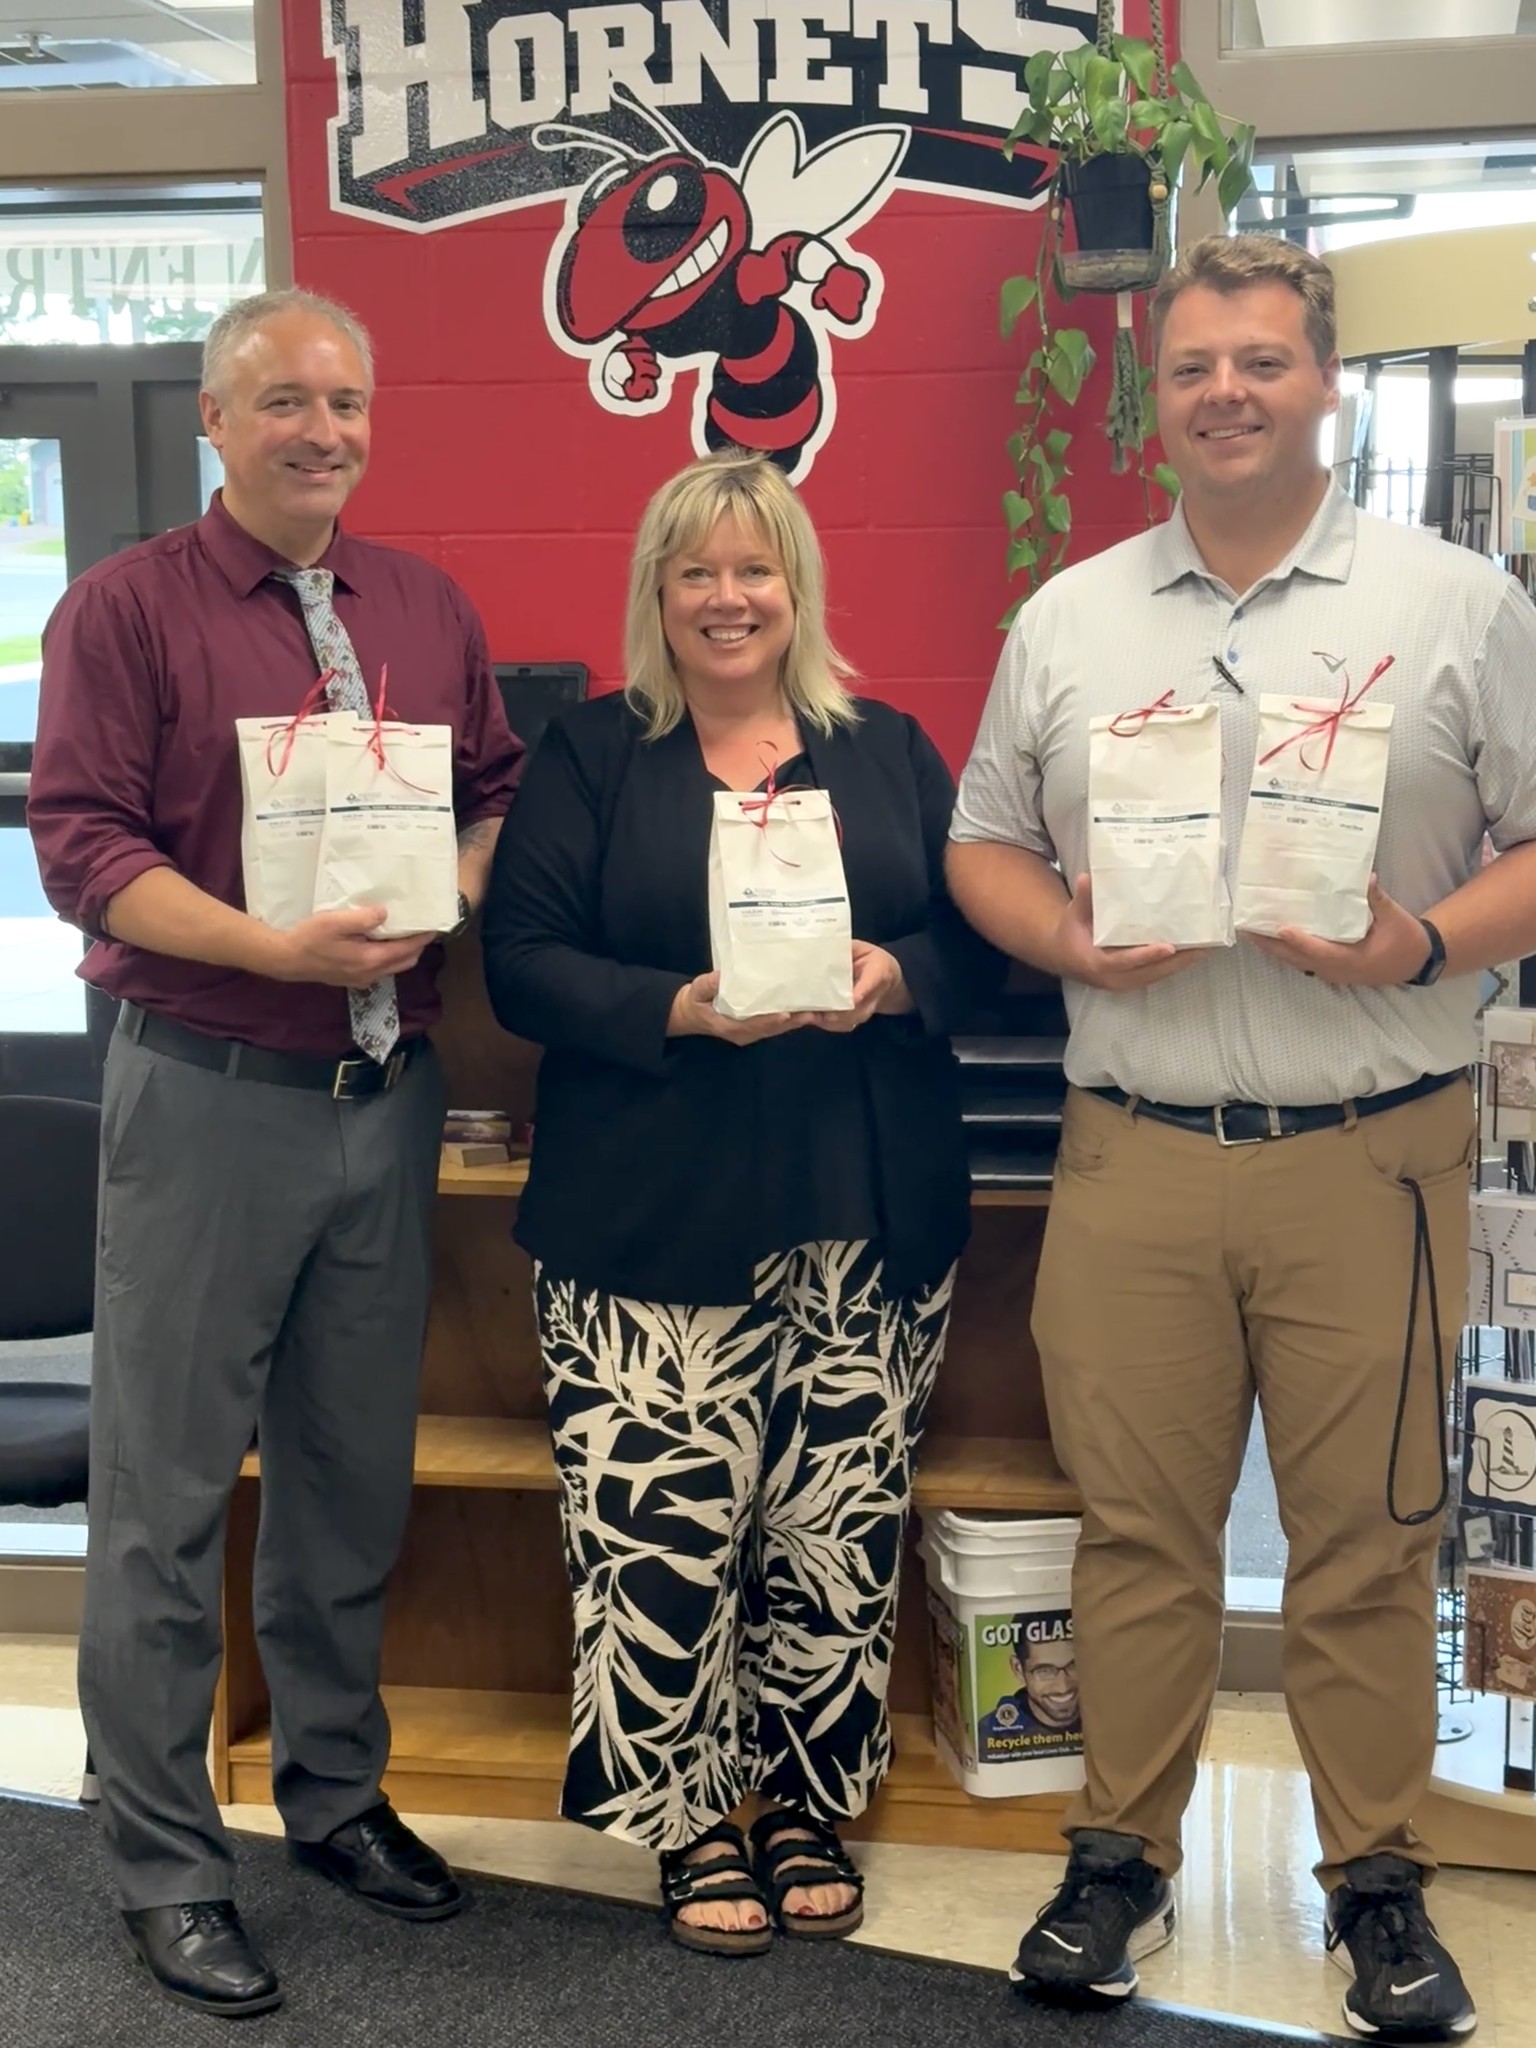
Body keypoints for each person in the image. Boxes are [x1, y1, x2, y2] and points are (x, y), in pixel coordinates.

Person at [947, 233, 1536, 2044]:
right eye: (1195, 364)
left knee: (1369, 1540)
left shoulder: (1455, 605)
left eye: (1263, 361)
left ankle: (1375, 1880)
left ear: (1325, 384)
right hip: (1133, 1146)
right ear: (1156, 392)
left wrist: (1418, 943)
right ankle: (1119, 1856)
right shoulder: (1069, 617)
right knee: (1138, 1533)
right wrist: (1063, 937)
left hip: (1372, 1152)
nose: (1227, 392)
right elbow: (983, 841)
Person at [27, 288, 523, 2019]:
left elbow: (495, 785)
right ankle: (165, 1861)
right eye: (287, 402)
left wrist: (452, 888)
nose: (324, 431)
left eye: (347, 402)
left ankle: (332, 1793)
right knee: (164, 1501)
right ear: (216, 424)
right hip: (211, 1092)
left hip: (382, 1103)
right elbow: (83, 852)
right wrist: (270, 947)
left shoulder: (424, 605)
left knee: (344, 1479)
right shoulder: (127, 609)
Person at [481, 447, 999, 1956]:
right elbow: (522, 966)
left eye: (754, 568)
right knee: (663, 1536)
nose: (728, 597)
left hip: (864, 1211)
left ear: (797, 586)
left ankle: (803, 1799)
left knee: (835, 1525)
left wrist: (897, 975)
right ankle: (689, 1815)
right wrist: (681, 1008)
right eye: (696, 570)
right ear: (658, 592)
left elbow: (981, 943)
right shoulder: (590, 755)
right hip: (647, 1223)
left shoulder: (886, 750)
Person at [978, 1628, 1080, 1749]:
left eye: (1074, 1666)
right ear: (1019, 1669)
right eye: (1044, 1671)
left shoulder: (1101, 1718)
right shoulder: (989, 1736)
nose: (1063, 1688)